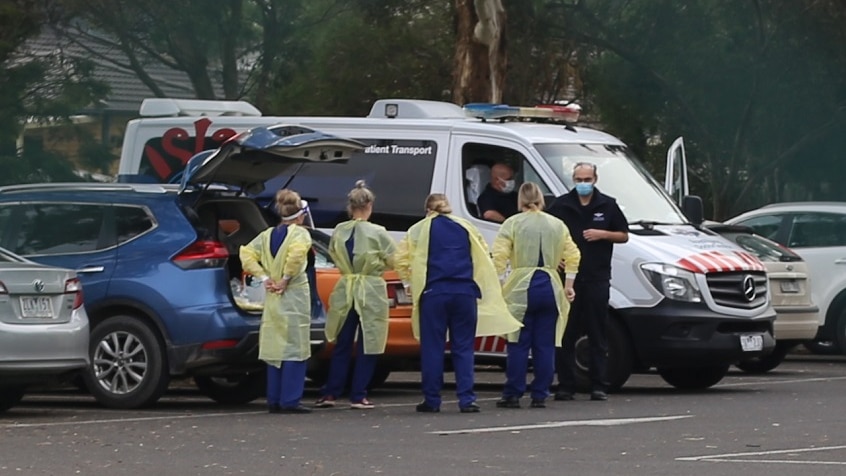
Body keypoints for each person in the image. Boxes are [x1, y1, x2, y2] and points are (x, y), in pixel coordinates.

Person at [395, 193, 521, 413]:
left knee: (433, 347)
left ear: (428, 210)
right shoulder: (467, 227)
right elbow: (482, 254)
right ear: (448, 208)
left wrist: (408, 283)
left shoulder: (418, 229)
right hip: (465, 293)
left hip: (434, 293)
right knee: (463, 348)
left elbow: (400, 258)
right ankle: (467, 399)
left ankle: (432, 400)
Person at [493, 182, 581, 409]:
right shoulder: (557, 224)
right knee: (545, 344)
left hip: (521, 286)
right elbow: (573, 254)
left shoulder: (512, 223)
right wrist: (569, 284)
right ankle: (540, 393)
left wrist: (499, 284)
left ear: (520, 200)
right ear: (541, 199)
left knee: (518, 343)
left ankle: (513, 393)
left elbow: (500, 258)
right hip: (550, 285)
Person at [547, 162, 629, 402]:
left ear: (595, 179)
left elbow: (623, 235)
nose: (583, 184)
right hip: (568, 280)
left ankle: (599, 385)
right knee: (566, 332)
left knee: (597, 332)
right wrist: (555, 257)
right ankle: (565, 385)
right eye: (579, 179)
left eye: (587, 179)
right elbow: (547, 233)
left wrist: (603, 234)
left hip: (597, 276)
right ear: (573, 179)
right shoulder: (561, 205)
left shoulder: (608, 204)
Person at [315, 180, 396, 410]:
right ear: (369, 205)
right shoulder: (377, 232)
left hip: (346, 288)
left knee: (342, 343)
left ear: (350, 206)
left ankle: (331, 392)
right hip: (370, 289)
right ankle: (359, 394)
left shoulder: (339, 230)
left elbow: (332, 254)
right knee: (369, 342)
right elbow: (395, 260)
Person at [240, 189, 314, 414]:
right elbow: (297, 255)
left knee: (275, 347)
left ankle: (273, 398)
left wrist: (264, 278)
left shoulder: (267, 234)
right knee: (295, 347)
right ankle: (290, 400)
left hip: (273, 296)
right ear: (300, 215)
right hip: (293, 295)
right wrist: (285, 279)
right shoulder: (301, 234)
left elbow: (246, 253)